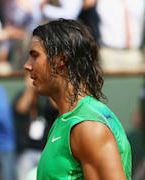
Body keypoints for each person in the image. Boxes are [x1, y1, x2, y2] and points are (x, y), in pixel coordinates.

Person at [23, 19, 132, 179]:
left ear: (60, 59)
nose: (27, 65)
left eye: (35, 56)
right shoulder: (67, 121)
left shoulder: (87, 126)